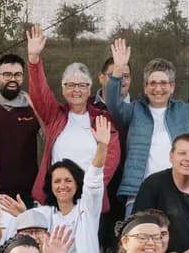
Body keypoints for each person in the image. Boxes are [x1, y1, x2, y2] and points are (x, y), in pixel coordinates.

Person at [101, 36, 189, 215]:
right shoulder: (134, 111)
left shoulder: (185, 111)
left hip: (181, 191)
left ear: (172, 87)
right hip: (139, 190)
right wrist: (118, 69)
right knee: (140, 240)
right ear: (145, 86)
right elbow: (112, 102)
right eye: (153, 83)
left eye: (164, 83)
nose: (158, 88)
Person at [24, 25, 121, 207]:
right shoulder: (55, 115)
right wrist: (34, 59)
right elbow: (39, 92)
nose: (76, 90)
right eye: (70, 85)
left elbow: (111, 158)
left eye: (82, 85)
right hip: (55, 199)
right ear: (63, 89)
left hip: (89, 200)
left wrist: (90, 188)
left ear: (90, 89)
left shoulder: (102, 119)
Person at [12, 115, 112, 253]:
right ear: (50, 186)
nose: (62, 186)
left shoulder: (87, 209)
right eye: (57, 181)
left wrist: (102, 146)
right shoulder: (44, 212)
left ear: (77, 183)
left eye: (68, 180)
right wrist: (25, 216)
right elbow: (32, 226)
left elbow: (93, 181)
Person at [133, 132, 189, 253]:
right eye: (182, 153)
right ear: (171, 156)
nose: (188, 159)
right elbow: (138, 227)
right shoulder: (153, 184)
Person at [0, 50, 41, 206]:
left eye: (17, 75)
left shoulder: (31, 107)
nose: (12, 79)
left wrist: (38, 111)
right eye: (7, 75)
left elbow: (49, 139)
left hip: (26, 192)